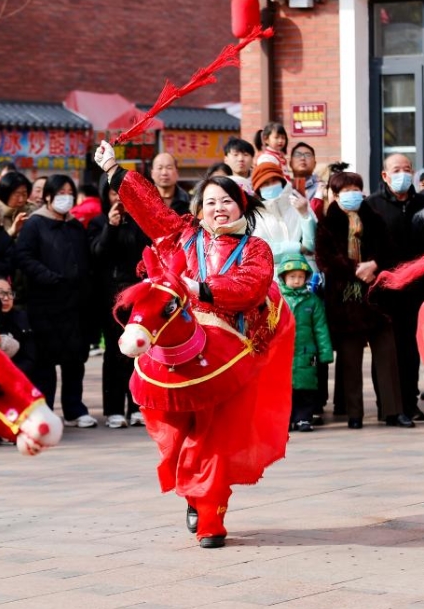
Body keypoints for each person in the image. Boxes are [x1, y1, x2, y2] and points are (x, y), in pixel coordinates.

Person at [95, 139, 291, 549]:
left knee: (214, 438)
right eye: (210, 202)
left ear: (242, 206)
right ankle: (192, 491)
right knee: (176, 434)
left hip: (231, 354)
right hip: (180, 351)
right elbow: (150, 208)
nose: (218, 208)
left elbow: (250, 287)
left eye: (227, 201)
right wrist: (115, 171)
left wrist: (200, 286)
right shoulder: (180, 236)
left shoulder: (255, 249)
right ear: (200, 208)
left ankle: (210, 517)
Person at [316, 171, 413, 429]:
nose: (352, 194)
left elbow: (391, 250)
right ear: (335, 195)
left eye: (355, 188)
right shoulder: (327, 224)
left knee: (387, 355)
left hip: (377, 297)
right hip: (345, 299)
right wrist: (355, 269)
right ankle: (354, 413)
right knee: (350, 359)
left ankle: (394, 411)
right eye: (345, 190)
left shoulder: (375, 219)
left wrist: (375, 265)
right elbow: (324, 259)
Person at [15, 174, 96, 427]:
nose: (66, 197)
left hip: (75, 304)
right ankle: (46, 409)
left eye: (69, 192)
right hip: (45, 302)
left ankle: (75, 409)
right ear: (48, 196)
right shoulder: (35, 224)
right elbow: (24, 257)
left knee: (75, 361)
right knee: (45, 363)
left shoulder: (74, 225)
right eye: (60, 193)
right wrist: (48, 276)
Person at [367, 153, 424, 422]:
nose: (402, 174)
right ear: (385, 175)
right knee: (387, 348)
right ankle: (389, 404)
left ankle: (409, 401)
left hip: (416, 288)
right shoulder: (372, 206)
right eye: (396, 169)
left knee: (410, 349)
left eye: (406, 169)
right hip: (385, 289)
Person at [89, 177, 151, 428]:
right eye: (114, 194)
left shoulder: (140, 222)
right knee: (114, 353)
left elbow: (146, 253)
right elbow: (97, 253)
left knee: (139, 351)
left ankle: (136, 406)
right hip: (110, 297)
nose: (118, 199)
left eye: (123, 194)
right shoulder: (97, 222)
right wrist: (110, 227)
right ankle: (113, 409)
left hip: (139, 295)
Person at [278, 255, 333, 432]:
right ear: (284, 277)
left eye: (300, 277)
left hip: (307, 353)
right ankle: (286, 419)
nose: (296, 280)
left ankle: (304, 418)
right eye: (292, 277)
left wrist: (325, 352)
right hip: (282, 353)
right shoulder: (277, 300)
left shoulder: (313, 302)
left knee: (307, 387)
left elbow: (320, 328)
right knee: (284, 389)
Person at [251, 161, 316, 270]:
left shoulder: (299, 203)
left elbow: (312, 245)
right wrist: (298, 248)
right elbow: (261, 250)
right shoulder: (255, 215)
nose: (271, 186)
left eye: (274, 181)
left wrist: (305, 215)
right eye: (266, 184)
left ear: (282, 182)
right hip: (273, 278)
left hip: (305, 274)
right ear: (258, 189)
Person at [0, 275, 35, 378]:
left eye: (9, 293)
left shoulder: (21, 318)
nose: (6, 298)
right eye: (0, 293)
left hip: (18, 378)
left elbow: (30, 358)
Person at [289, 142, 324, 217]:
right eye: (298, 155)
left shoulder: (322, 188)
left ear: (315, 163)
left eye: (308, 155)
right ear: (290, 163)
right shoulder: (284, 187)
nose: (302, 158)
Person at [0, 171, 35, 239]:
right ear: (5, 194)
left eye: (24, 194)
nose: (21, 199)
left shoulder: (32, 213)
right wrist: (12, 232)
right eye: (17, 195)